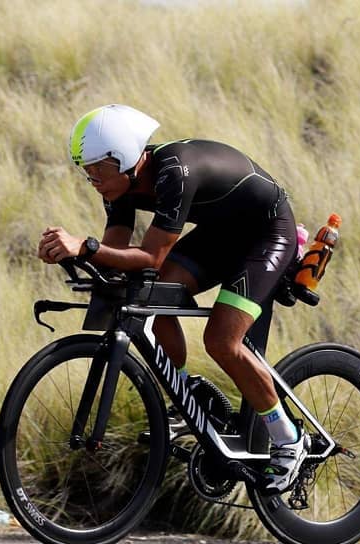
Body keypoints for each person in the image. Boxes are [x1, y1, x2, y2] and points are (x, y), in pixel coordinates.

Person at [37, 104, 307, 493]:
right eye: (85, 169)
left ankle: (288, 439)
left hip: (266, 234)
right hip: (222, 233)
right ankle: (188, 397)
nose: (90, 178)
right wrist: (73, 255)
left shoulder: (174, 173)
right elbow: (115, 256)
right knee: (149, 293)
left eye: (96, 168)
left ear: (125, 158)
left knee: (220, 340)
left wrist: (85, 246)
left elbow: (149, 256)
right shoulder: (118, 186)